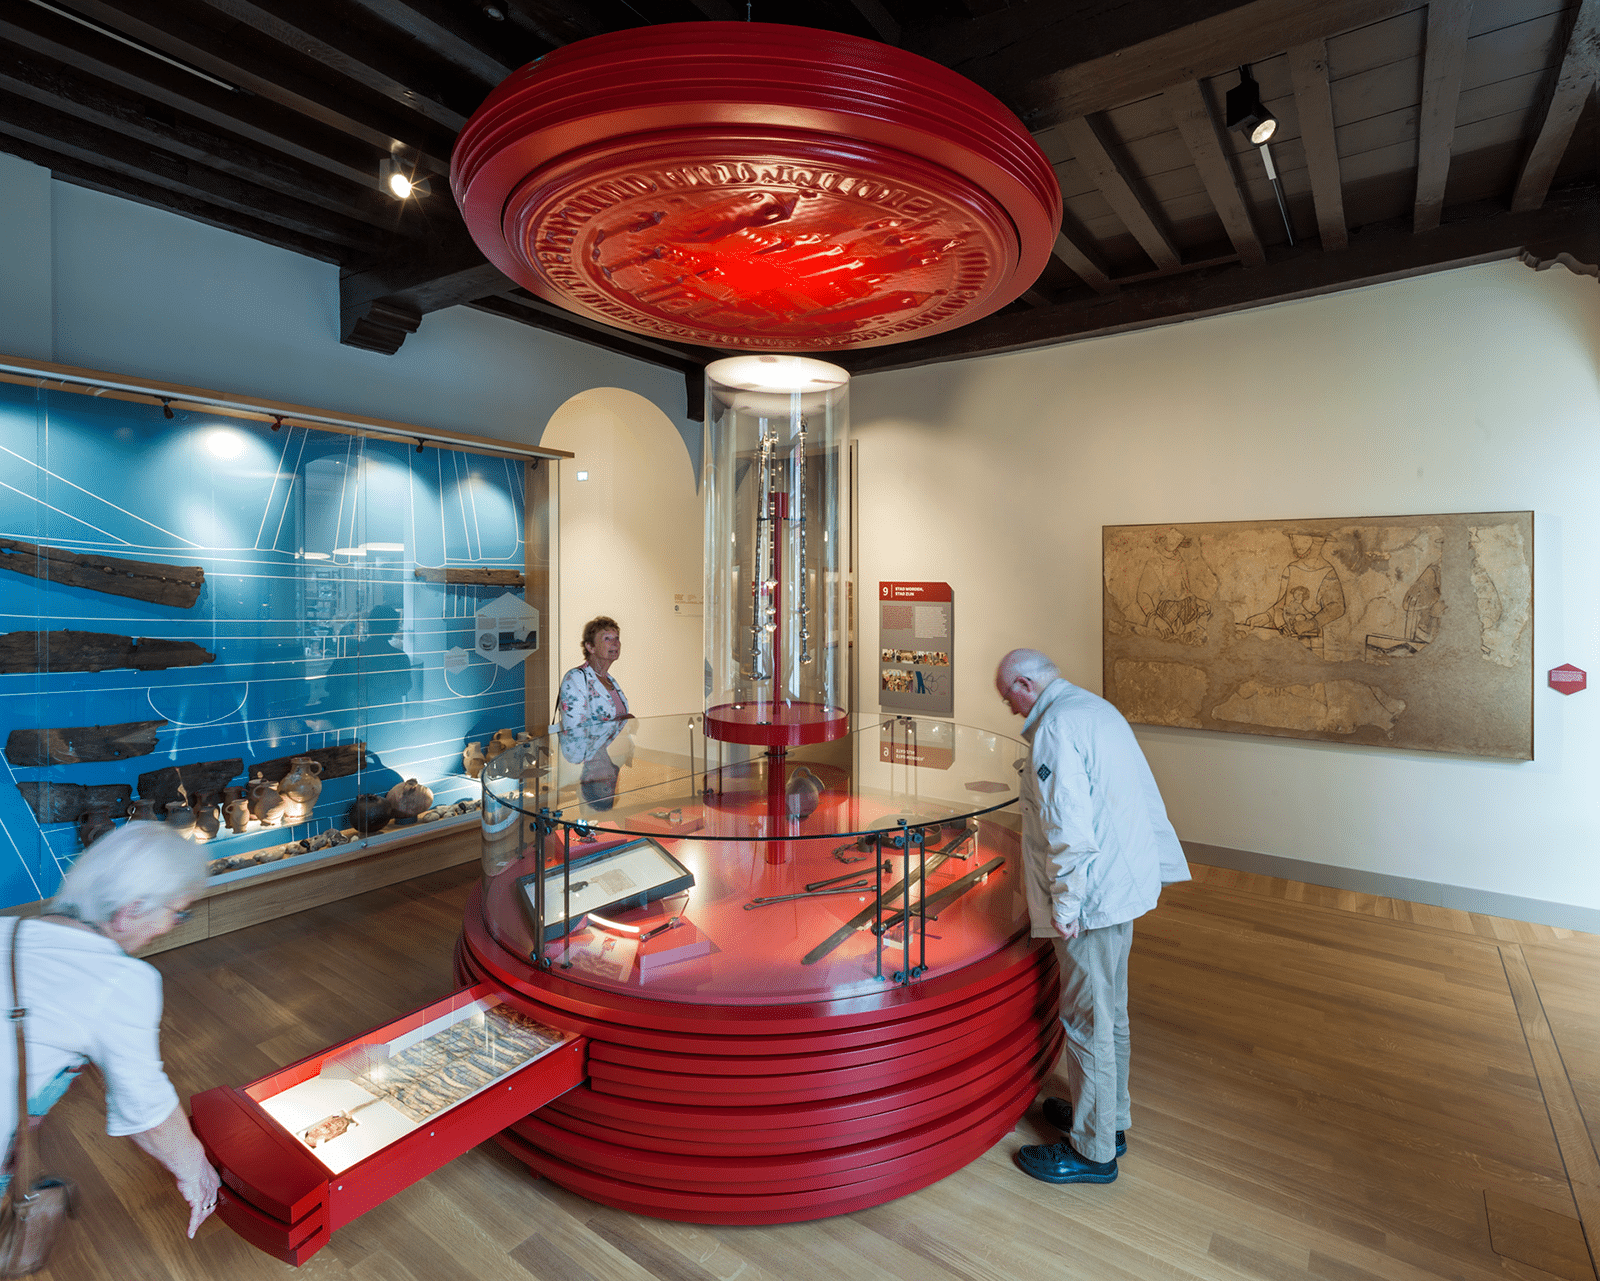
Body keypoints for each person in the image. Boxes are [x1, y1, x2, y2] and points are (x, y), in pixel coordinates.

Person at [994, 647, 1189, 1185]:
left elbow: (1069, 830)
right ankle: (1109, 1118)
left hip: (1092, 901)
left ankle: (1093, 1152)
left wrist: (1065, 905)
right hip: (1121, 884)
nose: (1010, 708)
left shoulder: (1056, 729)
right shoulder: (1094, 709)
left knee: (1086, 1021)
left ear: (1026, 684)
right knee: (1110, 1012)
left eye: (1008, 696)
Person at [3, 824, 222, 1237]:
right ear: (130, 910)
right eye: (177, 913)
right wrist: (197, 1172)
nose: (172, 926)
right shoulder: (117, 980)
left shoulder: (7, 930)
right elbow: (147, 1113)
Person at [556, 617, 633, 811]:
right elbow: (575, 729)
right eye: (608, 638)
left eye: (616, 638)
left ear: (589, 778)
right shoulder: (575, 678)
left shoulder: (607, 679)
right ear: (590, 647)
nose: (615, 643)